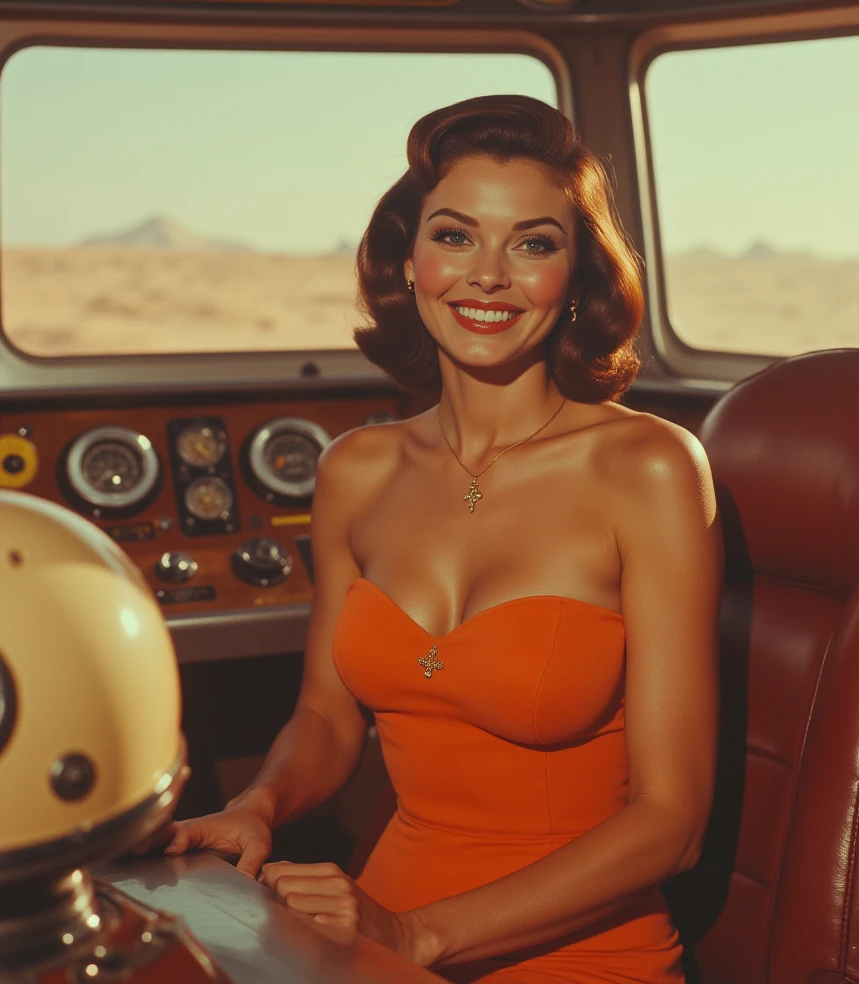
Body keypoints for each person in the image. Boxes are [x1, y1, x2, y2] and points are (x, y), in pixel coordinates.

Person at [163, 95, 723, 982]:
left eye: (533, 244)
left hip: (575, 947)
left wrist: (418, 934)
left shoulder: (647, 468)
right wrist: (260, 804)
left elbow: (673, 820)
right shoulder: (355, 469)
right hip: (370, 921)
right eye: (456, 237)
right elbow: (325, 716)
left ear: (576, 277)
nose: (488, 277)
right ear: (408, 260)